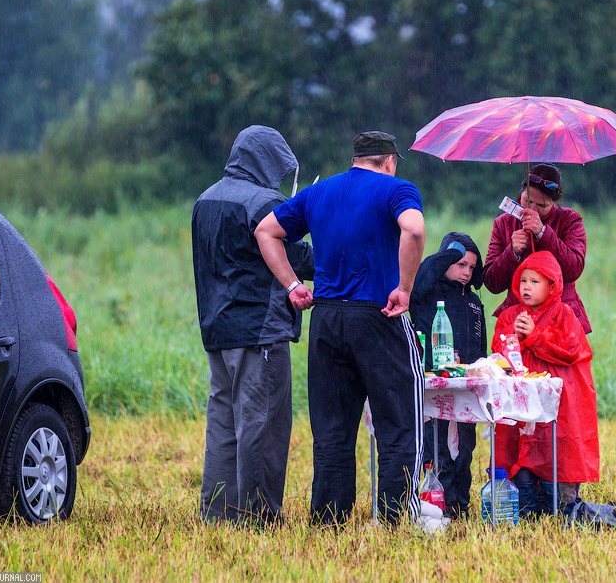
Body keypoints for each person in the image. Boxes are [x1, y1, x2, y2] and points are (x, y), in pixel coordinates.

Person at [255, 130, 426, 526]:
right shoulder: (396, 189)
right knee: (399, 423)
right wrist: (404, 288)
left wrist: (293, 285)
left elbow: (266, 231)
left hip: (327, 319)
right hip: (378, 314)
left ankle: (329, 521)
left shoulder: (319, 193)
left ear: (355, 158)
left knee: (332, 430)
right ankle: (396, 519)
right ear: (388, 161)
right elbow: (414, 230)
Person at [191, 125, 314, 527]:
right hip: (260, 332)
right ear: (266, 161)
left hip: (217, 330)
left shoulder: (203, 200)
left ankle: (218, 514)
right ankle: (260, 519)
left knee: (224, 424)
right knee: (264, 426)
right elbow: (294, 255)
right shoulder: (265, 202)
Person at [491, 250, 597, 518]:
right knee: (518, 450)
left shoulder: (564, 313)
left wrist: (535, 334)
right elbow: (497, 356)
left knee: (557, 450)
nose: (526, 287)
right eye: (523, 280)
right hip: (520, 406)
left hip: (559, 405)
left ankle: (563, 507)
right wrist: (512, 335)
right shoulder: (510, 315)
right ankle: (522, 509)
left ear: (552, 285)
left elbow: (570, 349)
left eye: (535, 281)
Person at [409, 232, 486, 519]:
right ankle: (435, 507)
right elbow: (416, 283)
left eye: (470, 266)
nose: (466, 272)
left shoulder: (474, 303)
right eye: (460, 264)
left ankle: (459, 507)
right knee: (436, 447)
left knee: (464, 449)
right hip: (436, 386)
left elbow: (481, 347)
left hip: (465, 387)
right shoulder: (428, 294)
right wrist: (447, 255)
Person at [484, 163, 591, 334]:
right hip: (517, 319)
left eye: (542, 206)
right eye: (527, 201)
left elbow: (574, 269)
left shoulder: (570, 220)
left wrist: (542, 233)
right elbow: (492, 283)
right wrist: (512, 253)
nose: (532, 210)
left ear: (554, 203)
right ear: (521, 194)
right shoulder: (503, 223)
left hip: (559, 319)